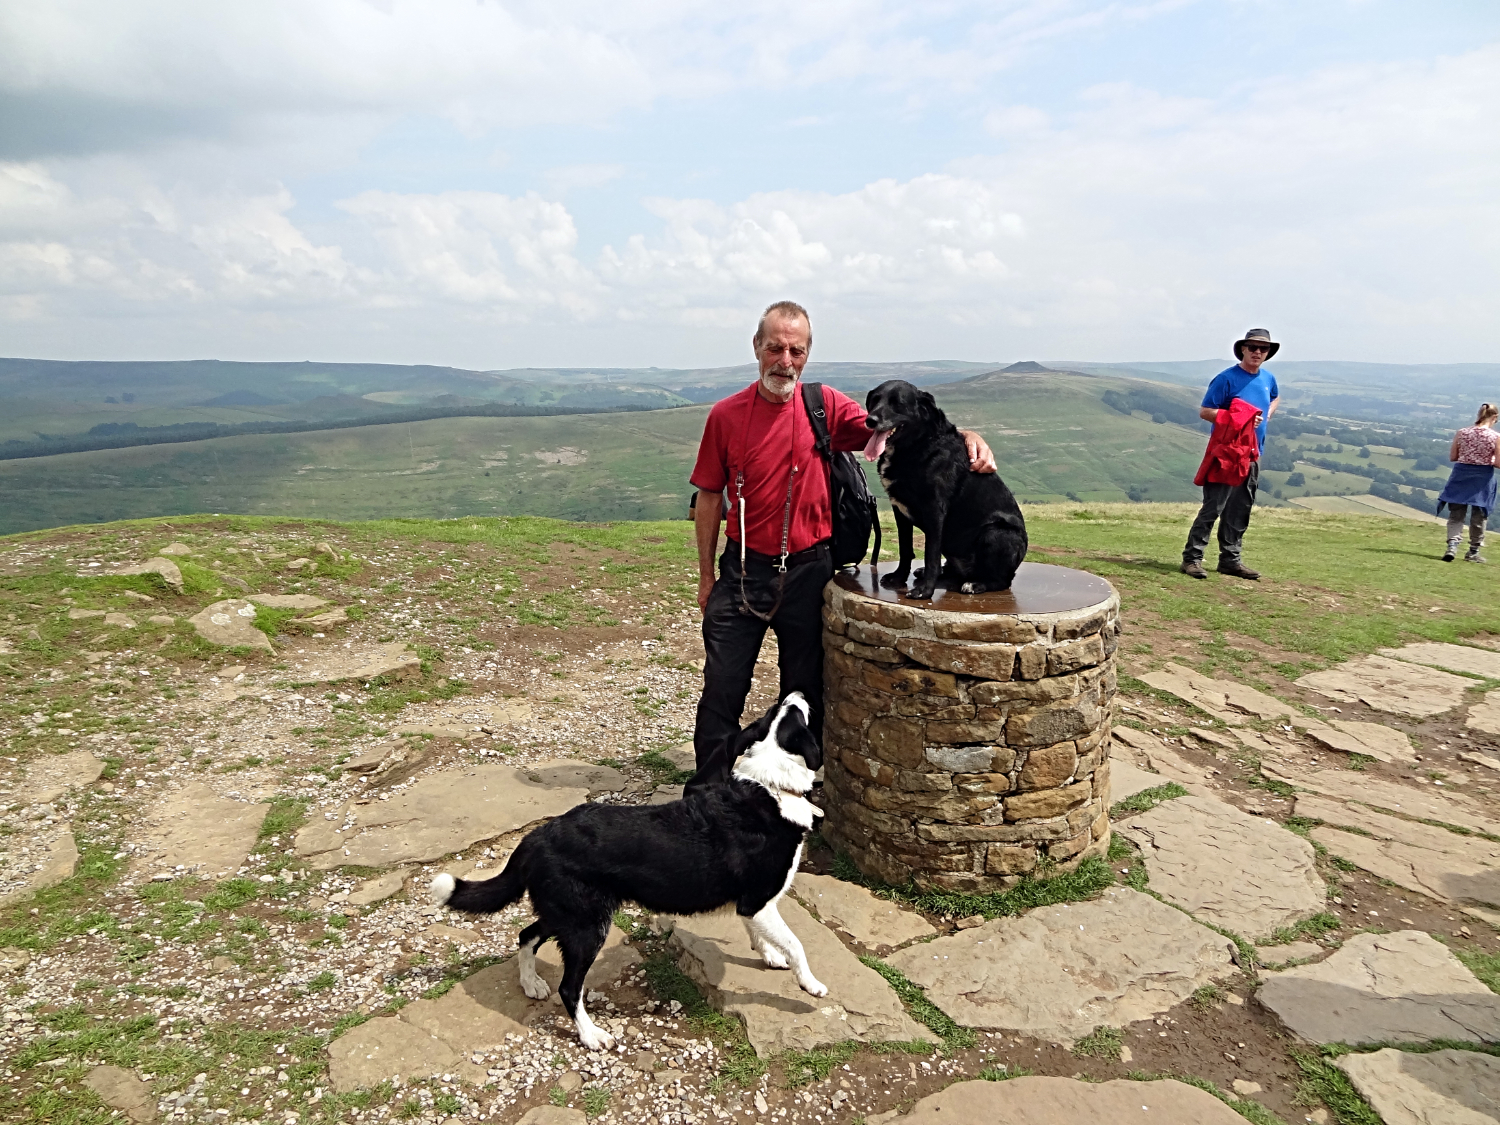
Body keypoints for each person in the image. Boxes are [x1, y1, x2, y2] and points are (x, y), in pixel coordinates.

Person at [687, 300, 996, 778]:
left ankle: (791, 793)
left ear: (807, 354)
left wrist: (966, 435)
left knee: (804, 694)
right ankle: (707, 794)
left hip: (810, 572)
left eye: (796, 350)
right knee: (723, 690)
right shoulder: (726, 416)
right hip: (743, 573)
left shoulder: (823, 405)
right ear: (756, 348)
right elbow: (709, 497)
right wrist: (707, 576)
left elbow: (898, 427)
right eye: (775, 348)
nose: (784, 361)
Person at [1180, 328, 1281, 581]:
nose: (1258, 352)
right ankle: (1192, 559)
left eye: (1263, 348)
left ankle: (1230, 560)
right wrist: (1242, 417)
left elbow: (1275, 397)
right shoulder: (1226, 379)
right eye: (1253, 347)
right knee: (1213, 507)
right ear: (1243, 349)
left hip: (1252, 455)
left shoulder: (1268, 378)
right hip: (1226, 454)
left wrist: (1267, 413)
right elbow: (1205, 411)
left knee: (1240, 509)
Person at [1437, 403, 1499, 563]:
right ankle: (1473, 552)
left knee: (1456, 514)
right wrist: (1488, 459)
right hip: (1482, 478)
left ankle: (1452, 546)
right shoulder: (1495, 437)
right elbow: (1498, 463)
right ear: (1494, 418)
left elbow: (1453, 457)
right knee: (1479, 515)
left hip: (1461, 475)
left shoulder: (1462, 432)